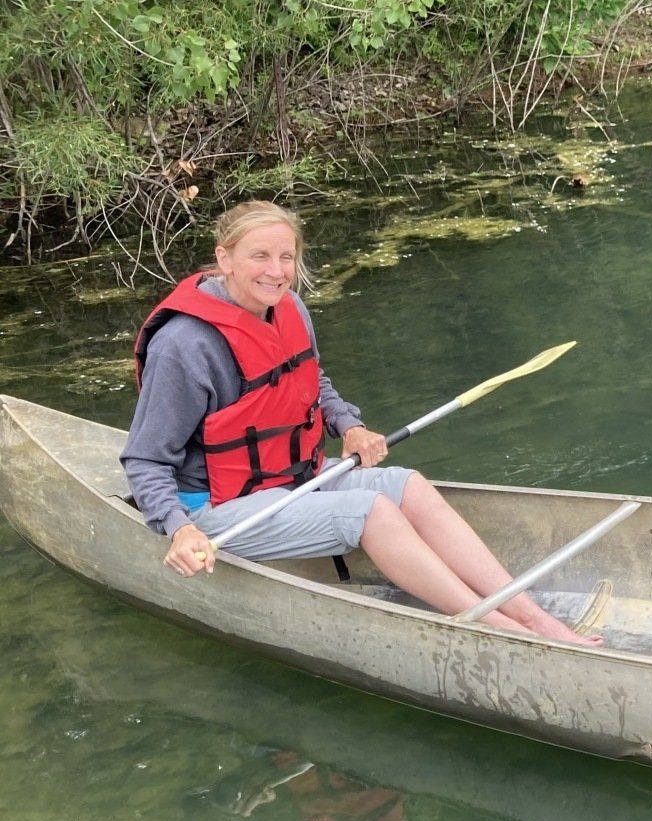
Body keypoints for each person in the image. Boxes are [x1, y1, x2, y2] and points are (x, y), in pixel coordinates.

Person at [122, 199, 600, 645]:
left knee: (407, 485)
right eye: (259, 256)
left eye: (286, 257)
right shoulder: (184, 346)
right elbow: (143, 459)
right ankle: (495, 625)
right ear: (224, 259)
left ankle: (530, 614)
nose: (276, 271)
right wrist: (177, 527)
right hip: (216, 508)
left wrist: (349, 426)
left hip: (295, 481)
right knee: (371, 511)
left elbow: (311, 382)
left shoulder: (288, 308)